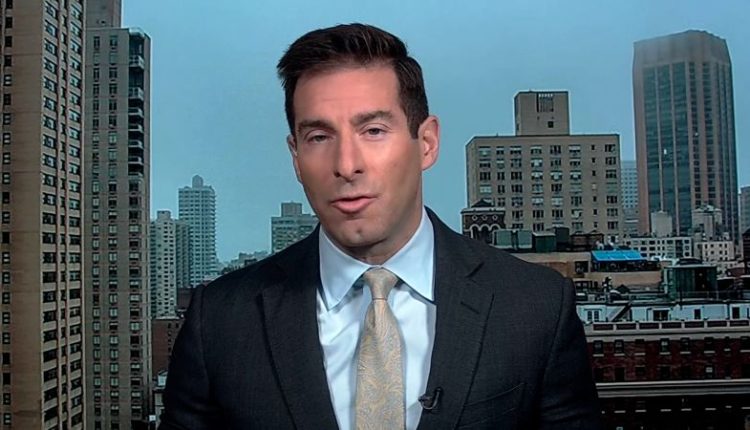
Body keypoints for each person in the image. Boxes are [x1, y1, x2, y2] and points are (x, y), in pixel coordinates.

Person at [159, 23, 601, 430]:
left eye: (372, 130)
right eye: (319, 137)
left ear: (426, 143)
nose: (346, 164)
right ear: (295, 157)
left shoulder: (535, 307)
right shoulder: (220, 321)